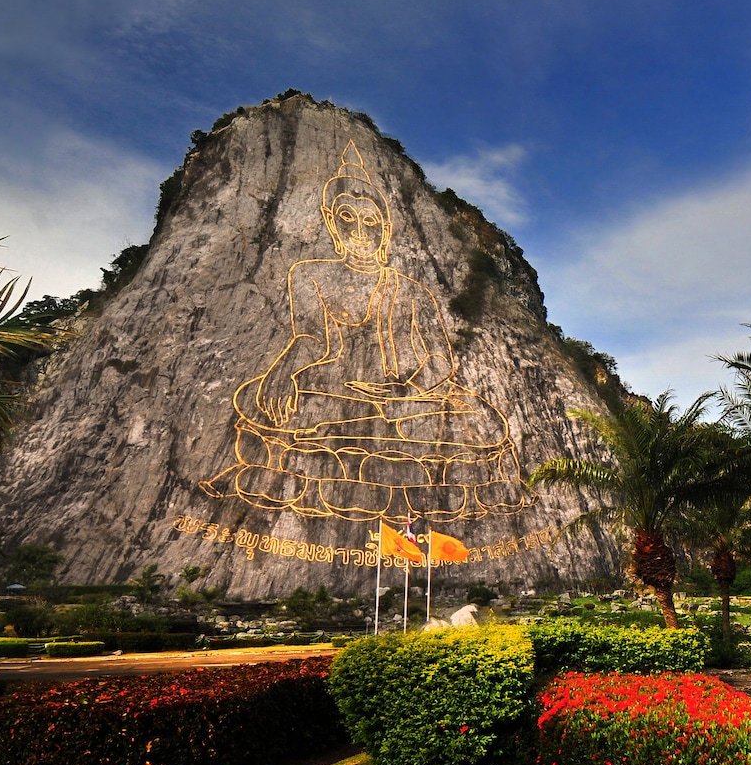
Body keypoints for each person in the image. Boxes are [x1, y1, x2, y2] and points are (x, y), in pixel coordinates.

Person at [201, 142, 531, 522]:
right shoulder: (309, 274)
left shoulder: (412, 290)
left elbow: (441, 358)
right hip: (336, 389)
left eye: (370, 221)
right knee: (264, 399)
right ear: (331, 222)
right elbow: (312, 339)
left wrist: (408, 391)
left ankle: (326, 456)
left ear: (385, 229)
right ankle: (371, 459)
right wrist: (283, 370)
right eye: (347, 217)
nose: (359, 230)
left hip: (407, 400)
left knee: (480, 419)